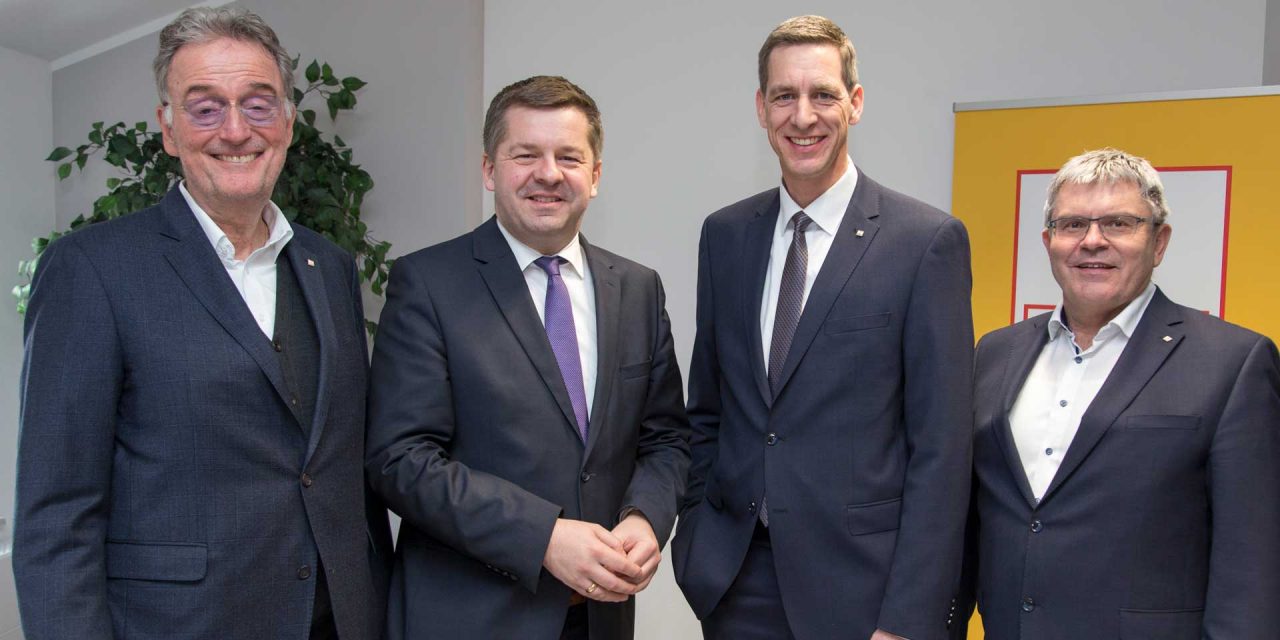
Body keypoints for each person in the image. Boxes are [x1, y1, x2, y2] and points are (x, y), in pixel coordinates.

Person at [12, 7, 392, 639]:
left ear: (289, 122)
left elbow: (343, 472)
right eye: (205, 107)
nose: (235, 129)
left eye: (258, 104)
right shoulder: (89, 269)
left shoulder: (330, 266)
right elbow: (57, 518)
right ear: (168, 128)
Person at [671, 14, 974, 640]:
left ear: (855, 103)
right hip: (735, 584)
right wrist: (697, 544)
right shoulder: (725, 236)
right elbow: (708, 410)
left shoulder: (924, 243)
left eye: (823, 95)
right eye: (784, 95)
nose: (802, 116)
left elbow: (941, 452)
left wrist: (909, 618)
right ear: (761, 108)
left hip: (864, 594)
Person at [364, 75, 691, 640]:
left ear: (595, 174)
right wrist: (543, 537)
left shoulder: (638, 289)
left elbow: (666, 438)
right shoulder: (428, 284)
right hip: (468, 618)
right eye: (525, 155)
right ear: (490, 170)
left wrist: (646, 518)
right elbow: (400, 458)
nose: (548, 173)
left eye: (569, 156)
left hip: (598, 618)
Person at [962, 148, 1280, 639]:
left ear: (1159, 243)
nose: (1092, 242)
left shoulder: (1232, 363)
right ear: (1048, 241)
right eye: (1072, 225)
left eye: (1118, 224)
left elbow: (1252, 563)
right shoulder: (995, 353)